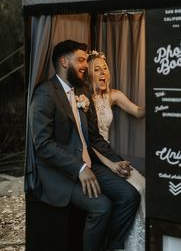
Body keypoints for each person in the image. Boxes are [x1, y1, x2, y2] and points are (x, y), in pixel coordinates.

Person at [28, 40, 140, 251]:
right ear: (63, 61)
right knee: (102, 207)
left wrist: (116, 162)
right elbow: (43, 145)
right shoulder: (45, 94)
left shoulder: (83, 90)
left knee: (129, 196)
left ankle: (112, 245)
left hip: (89, 164)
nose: (84, 66)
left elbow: (95, 137)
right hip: (60, 173)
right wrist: (79, 169)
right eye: (80, 60)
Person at [87, 50, 145, 251]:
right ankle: (118, 244)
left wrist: (159, 95)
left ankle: (136, 243)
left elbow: (138, 112)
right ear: (88, 73)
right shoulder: (83, 100)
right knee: (133, 191)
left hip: (109, 152)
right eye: (97, 69)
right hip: (95, 156)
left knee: (143, 186)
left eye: (105, 68)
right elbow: (88, 141)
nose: (103, 72)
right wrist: (110, 164)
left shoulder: (113, 95)